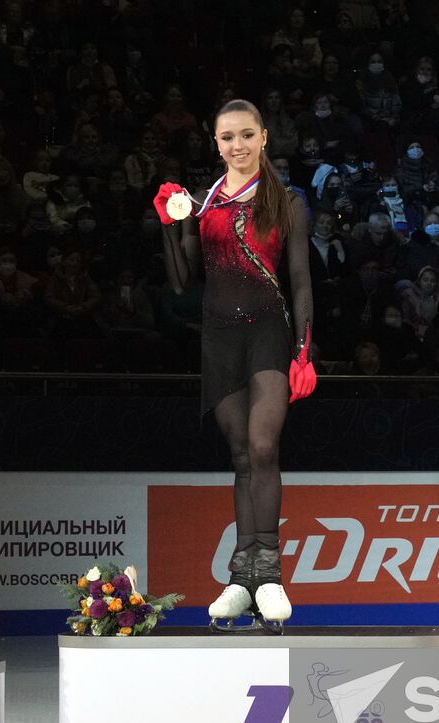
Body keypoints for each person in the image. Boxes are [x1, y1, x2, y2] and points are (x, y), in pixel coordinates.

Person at [153, 99, 314, 633]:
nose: (237, 146)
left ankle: (269, 572)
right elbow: (181, 281)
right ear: (216, 143)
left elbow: (300, 280)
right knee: (241, 455)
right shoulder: (206, 204)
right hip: (220, 340)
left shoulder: (286, 202)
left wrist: (305, 348)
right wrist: (167, 225)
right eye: (227, 137)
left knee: (265, 446)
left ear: (264, 137)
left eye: (247, 135)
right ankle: (241, 579)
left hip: (269, 334)